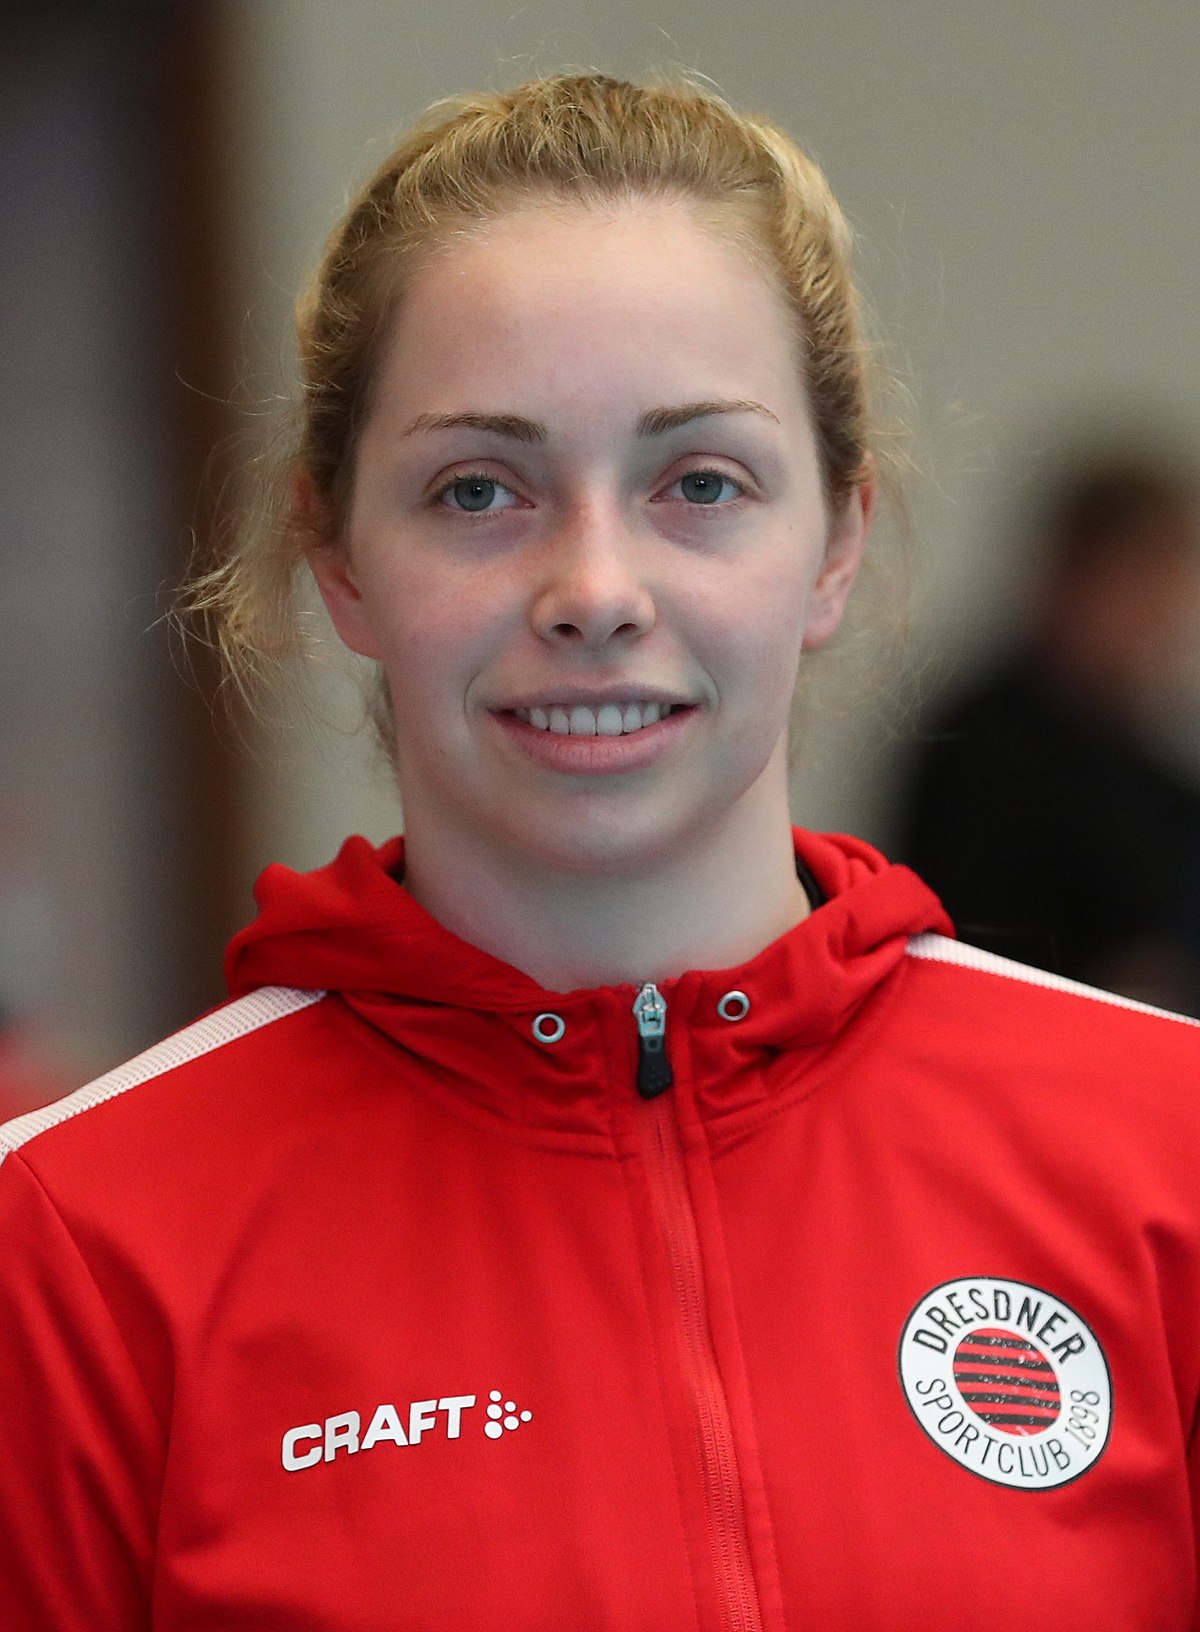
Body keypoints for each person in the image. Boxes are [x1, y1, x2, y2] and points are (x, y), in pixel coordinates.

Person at [1, 73, 1199, 1630]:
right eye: (477, 490)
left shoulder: (1167, 1154)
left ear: (836, 542)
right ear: (339, 558)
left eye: (699, 483)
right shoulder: (74, 1245)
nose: (595, 590)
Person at [899, 450, 1200, 1012]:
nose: (1166, 617)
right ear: (1076, 574)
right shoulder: (983, 747)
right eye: (1143, 583)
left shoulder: (1153, 772)